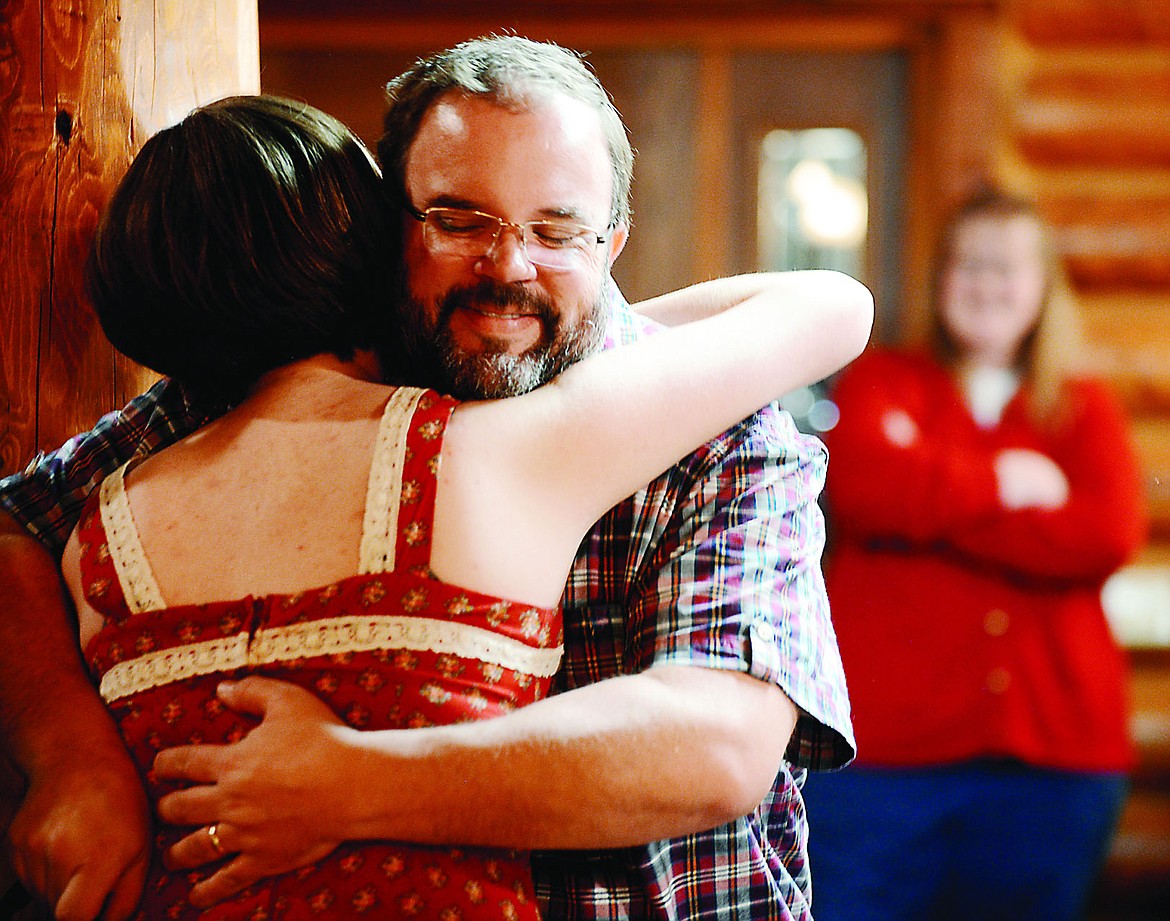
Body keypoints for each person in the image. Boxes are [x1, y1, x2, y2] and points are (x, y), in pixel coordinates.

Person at [0, 36, 860, 921]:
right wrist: (69, 756)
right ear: (387, 226)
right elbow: (12, 523)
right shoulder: (284, 372)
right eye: (458, 218)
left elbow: (716, 745)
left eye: (557, 232)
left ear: (613, 244)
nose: (508, 268)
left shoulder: (722, 424)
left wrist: (349, 782)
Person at [799, 185, 1147, 921]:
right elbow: (863, 485)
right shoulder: (882, 383)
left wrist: (929, 501)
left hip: (1053, 765)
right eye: (967, 264)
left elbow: (1106, 532)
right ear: (940, 280)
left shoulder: (1083, 409)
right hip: (883, 762)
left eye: (1006, 266)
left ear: (1042, 286)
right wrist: (1005, 484)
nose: (985, 283)